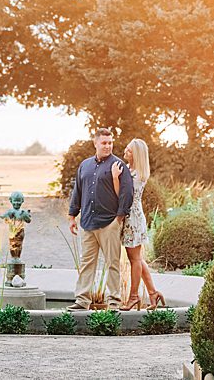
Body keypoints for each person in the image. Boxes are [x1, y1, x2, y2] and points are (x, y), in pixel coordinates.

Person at [66, 127, 133, 311]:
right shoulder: (84, 165)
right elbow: (77, 191)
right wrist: (72, 216)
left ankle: (114, 302)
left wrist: (119, 218)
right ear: (95, 143)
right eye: (104, 143)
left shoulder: (119, 165)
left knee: (112, 263)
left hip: (109, 223)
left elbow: (127, 193)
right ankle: (82, 300)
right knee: (87, 263)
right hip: (87, 223)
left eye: (110, 143)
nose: (107, 146)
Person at [112, 138, 165, 310]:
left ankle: (134, 297)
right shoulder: (129, 170)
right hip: (132, 216)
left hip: (132, 219)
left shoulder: (136, 175)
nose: (125, 152)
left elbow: (122, 195)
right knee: (137, 258)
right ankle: (153, 293)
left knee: (134, 259)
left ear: (136, 154)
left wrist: (114, 178)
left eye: (128, 150)